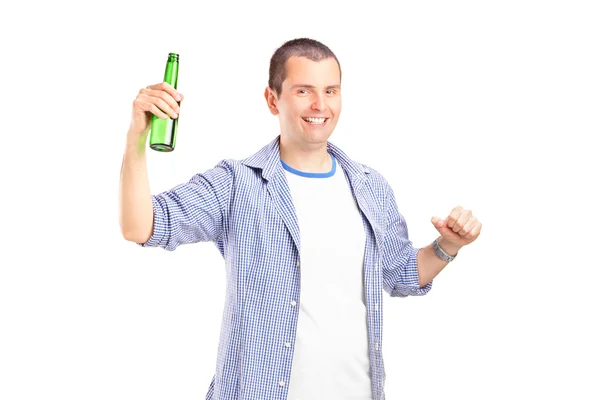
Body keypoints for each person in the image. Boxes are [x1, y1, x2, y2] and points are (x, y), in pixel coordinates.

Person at [119, 38, 482, 400]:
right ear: (272, 99)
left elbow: (401, 274)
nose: (320, 105)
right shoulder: (237, 184)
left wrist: (449, 244)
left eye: (331, 90)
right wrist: (137, 136)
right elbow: (141, 225)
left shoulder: (371, 188)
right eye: (304, 90)